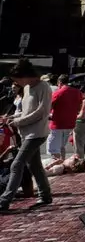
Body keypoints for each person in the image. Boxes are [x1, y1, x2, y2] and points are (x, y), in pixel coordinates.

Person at [0, 59, 52, 210]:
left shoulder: (43, 87)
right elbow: (27, 111)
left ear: (26, 75)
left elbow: (41, 112)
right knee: (34, 166)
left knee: (17, 164)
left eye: (17, 80)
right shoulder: (28, 87)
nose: (17, 83)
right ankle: (45, 195)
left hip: (36, 133)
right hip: (27, 133)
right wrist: (11, 118)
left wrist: (18, 122)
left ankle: (4, 200)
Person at [48, 74, 85, 166]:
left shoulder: (58, 93)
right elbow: (79, 105)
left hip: (57, 123)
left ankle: (56, 166)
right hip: (70, 123)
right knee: (62, 146)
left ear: (59, 82)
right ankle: (63, 163)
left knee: (54, 148)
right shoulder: (77, 92)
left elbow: (49, 106)